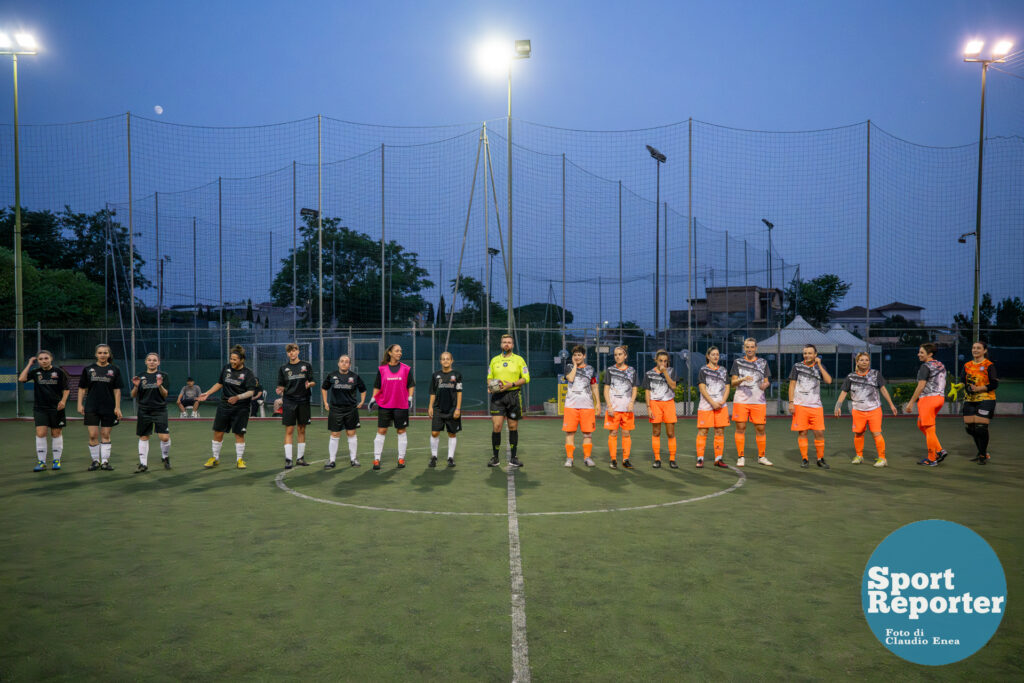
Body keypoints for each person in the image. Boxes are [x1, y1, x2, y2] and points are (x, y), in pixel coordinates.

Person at [198, 345, 259, 470]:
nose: (232, 361)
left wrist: (238, 397)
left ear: (242, 360)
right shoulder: (226, 369)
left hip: (241, 408)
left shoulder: (248, 373)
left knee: (239, 434)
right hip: (224, 406)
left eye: (235, 359)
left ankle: (239, 460)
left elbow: (251, 392)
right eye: (231, 359)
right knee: (218, 432)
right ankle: (215, 458)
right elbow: (220, 383)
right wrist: (207, 393)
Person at [834, 351, 897, 467]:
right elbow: (843, 392)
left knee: (876, 433)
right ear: (857, 362)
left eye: (867, 360)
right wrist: (837, 406)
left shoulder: (875, 374)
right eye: (861, 360)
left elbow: (883, 390)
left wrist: (891, 404)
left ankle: (882, 458)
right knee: (858, 433)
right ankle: (859, 456)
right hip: (858, 410)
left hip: (874, 410)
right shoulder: (851, 377)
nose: (864, 362)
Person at [18, 350, 70, 471]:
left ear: (51, 359)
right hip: (40, 408)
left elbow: (66, 389)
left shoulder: (59, 372)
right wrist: (30, 364)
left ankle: (56, 461)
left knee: (56, 433)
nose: (44, 361)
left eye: (46, 358)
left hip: (56, 408)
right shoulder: (36, 372)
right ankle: (41, 462)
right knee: (41, 433)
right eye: (40, 359)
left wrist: (63, 401)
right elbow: (21, 379)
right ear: (38, 361)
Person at [78, 343, 124, 471]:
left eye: (105, 353)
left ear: (109, 355)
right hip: (91, 407)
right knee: (93, 435)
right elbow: (82, 388)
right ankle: (95, 461)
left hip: (108, 407)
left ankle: (105, 462)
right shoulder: (88, 370)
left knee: (105, 434)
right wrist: (80, 404)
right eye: (100, 353)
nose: (102, 355)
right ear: (96, 354)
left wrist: (117, 407)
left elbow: (117, 390)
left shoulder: (114, 369)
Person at [487, 334, 529, 468]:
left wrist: (511, 384)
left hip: (513, 396)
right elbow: (489, 377)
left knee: (512, 427)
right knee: (497, 426)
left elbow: (526, 378)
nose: (507, 344)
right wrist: (491, 387)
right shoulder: (494, 360)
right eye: (504, 342)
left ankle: (513, 458)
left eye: (509, 342)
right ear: (501, 344)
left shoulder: (519, 360)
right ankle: (495, 458)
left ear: (513, 345)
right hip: (498, 398)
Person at [370, 344, 415, 470]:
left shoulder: (406, 369)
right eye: (397, 351)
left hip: (401, 405)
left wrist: (410, 398)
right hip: (385, 405)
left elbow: (411, 385)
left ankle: (401, 458)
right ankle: (377, 459)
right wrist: (373, 399)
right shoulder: (382, 369)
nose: (399, 353)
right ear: (390, 353)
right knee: (381, 431)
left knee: (401, 431)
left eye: (400, 351)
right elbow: (377, 386)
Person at [729, 338, 773, 467]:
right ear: (744, 348)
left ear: (756, 348)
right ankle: (741, 456)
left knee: (760, 429)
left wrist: (766, 384)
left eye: (752, 347)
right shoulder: (738, 362)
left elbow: (766, 381)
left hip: (758, 401)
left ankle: (762, 456)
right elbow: (733, 383)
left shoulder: (763, 362)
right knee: (740, 428)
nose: (749, 349)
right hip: (741, 401)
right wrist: (743, 379)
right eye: (747, 347)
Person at [788, 344, 833, 469]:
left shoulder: (820, 367)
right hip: (800, 405)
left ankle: (820, 459)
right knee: (803, 432)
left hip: (816, 406)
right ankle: (805, 459)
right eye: (805, 353)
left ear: (815, 354)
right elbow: (792, 385)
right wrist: (791, 402)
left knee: (819, 432)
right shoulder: (797, 366)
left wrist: (819, 365)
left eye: (810, 353)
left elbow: (829, 381)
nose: (807, 355)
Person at [907, 343, 949, 467]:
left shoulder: (925, 367)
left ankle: (932, 458)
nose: (919, 354)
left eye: (921, 352)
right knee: (921, 424)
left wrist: (910, 403)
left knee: (929, 429)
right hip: (939, 398)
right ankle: (940, 450)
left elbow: (921, 386)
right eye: (919, 352)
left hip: (928, 400)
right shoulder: (940, 364)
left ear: (930, 354)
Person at [321, 354, 366, 468]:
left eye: (346, 361)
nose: (344, 363)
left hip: (350, 409)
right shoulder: (332, 376)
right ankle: (331, 460)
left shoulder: (354, 377)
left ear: (350, 364)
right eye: (342, 361)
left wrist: (361, 402)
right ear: (338, 363)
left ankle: (354, 459)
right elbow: (324, 388)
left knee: (351, 433)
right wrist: (326, 402)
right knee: (335, 434)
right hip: (336, 409)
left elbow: (363, 389)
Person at [277, 343, 316, 469]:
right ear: (287, 353)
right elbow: (281, 385)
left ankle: (300, 458)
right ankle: (288, 459)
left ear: (298, 351)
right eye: (289, 352)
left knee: (302, 429)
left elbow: (313, 381)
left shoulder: (306, 365)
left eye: (294, 351)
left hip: (303, 400)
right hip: (289, 401)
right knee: (289, 430)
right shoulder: (283, 368)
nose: (291, 353)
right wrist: (279, 390)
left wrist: (309, 385)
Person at [130, 352, 171, 472]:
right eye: (149, 360)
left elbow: (165, 395)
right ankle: (143, 464)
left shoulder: (163, 376)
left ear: (158, 362)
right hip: (144, 410)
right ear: (146, 362)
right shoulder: (140, 376)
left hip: (160, 410)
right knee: (144, 436)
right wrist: (136, 386)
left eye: (154, 360)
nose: (152, 362)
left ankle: (165, 456)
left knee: (164, 437)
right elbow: (133, 395)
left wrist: (160, 385)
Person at [562, 345, 601, 468]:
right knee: (570, 433)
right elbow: (571, 378)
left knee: (587, 434)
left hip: (587, 407)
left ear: (584, 356)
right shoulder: (568, 367)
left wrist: (598, 403)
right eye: (575, 355)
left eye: (579, 355)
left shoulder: (590, 369)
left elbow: (594, 386)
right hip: (571, 406)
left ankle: (587, 458)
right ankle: (569, 458)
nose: (577, 357)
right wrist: (574, 365)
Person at [603, 345, 638, 469]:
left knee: (626, 433)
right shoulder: (610, 370)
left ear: (625, 356)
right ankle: (613, 459)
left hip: (626, 409)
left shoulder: (632, 371)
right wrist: (609, 405)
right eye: (615, 355)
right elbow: (606, 389)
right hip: (614, 409)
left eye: (620, 354)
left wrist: (632, 402)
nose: (617, 357)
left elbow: (634, 388)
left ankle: (625, 459)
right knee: (613, 433)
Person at [962, 340, 997, 465]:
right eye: (973, 348)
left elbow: (994, 384)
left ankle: (982, 454)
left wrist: (978, 389)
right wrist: (966, 388)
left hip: (986, 399)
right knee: (970, 428)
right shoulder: (967, 365)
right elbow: (964, 381)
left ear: (984, 350)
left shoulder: (989, 365)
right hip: (970, 400)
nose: (975, 350)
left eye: (978, 348)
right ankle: (982, 451)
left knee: (981, 428)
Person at [642, 349, 678, 468]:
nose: (663, 363)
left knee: (670, 433)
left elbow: (673, 386)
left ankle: (672, 459)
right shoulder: (649, 373)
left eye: (665, 361)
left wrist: (665, 373)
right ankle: (657, 459)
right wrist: (648, 407)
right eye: (661, 361)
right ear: (656, 360)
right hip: (655, 404)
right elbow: (647, 391)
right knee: (656, 432)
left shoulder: (671, 371)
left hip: (668, 403)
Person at [696, 346, 730, 469]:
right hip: (706, 406)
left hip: (721, 405)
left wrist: (723, 401)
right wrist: (712, 402)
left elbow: (727, 387)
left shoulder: (723, 370)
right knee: (703, 431)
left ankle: (718, 459)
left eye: (717, 354)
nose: (716, 356)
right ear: (708, 356)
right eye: (713, 354)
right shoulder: (703, 370)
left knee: (719, 431)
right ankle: (700, 459)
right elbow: (702, 388)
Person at [428, 351, 462, 468]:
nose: (445, 361)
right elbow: (432, 392)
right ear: (440, 361)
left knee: (451, 433)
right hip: (438, 408)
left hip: (452, 409)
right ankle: (434, 456)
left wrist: (458, 408)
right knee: (434, 432)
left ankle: (450, 458)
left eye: (448, 359)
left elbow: (459, 392)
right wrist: (430, 407)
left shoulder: (457, 375)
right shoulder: (435, 375)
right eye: (443, 359)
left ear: (452, 361)